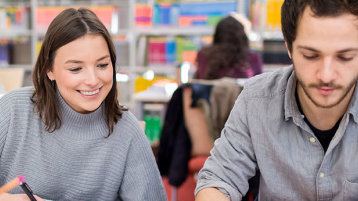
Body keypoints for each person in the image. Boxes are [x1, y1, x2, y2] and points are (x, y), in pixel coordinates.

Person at [195, 0, 358, 200]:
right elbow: (219, 180)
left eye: (345, 57)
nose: (326, 75)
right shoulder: (256, 100)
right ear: (288, 46)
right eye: (310, 55)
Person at [0, 8, 167, 201]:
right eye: (76, 68)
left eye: (102, 65)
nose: (93, 80)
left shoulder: (127, 130)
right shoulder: (12, 111)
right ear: (49, 70)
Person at [194, 15, 263, 80]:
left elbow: (199, 83)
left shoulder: (204, 55)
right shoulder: (253, 58)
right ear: (242, 36)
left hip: (213, 93)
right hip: (244, 92)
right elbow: (260, 85)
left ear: (217, 35)